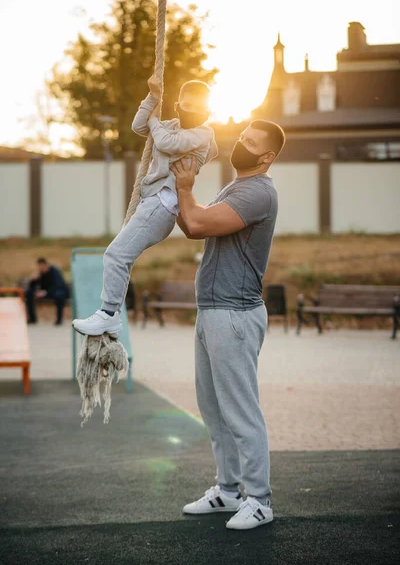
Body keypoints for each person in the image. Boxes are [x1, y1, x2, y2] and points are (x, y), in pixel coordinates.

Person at [171, 119, 285, 531]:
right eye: (241, 137)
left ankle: (259, 500)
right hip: (213, 311)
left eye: (251, 142)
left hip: (234, 313)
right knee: (214, 411)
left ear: (267, 156)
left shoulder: (257, 191)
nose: (241, 144)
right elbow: (191, 226)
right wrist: (176, 188)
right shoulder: (235, 187)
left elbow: (197, 222)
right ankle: (229, 491)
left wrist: (185, 189)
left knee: (240, 411)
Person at [72, 76, 217, 336]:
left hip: (162, 204)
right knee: (121, 256)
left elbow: (166, 143)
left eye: (199, 107)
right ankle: (110, 316)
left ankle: (108, 314)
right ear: (177, 105)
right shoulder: (170, 125)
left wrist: (153, 121)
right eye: (188, 104)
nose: (192, 111)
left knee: (116, 255)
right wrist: (152, 98)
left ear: (207, 112)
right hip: (150, 201)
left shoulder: (204, 134)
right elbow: (138, 126)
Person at [26, 258, 69, 325]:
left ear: (45, 265)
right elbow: (33, 286)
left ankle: (59, 319)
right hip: (44, 293)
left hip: (54, 292)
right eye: (39, 266)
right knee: (28, 293)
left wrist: (45, 292)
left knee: (59, 295)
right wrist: (33, 280)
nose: (41, 268)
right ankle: (32, 319)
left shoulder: (54, 271)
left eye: (42, 266)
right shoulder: (40, 273)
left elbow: (58, 285)